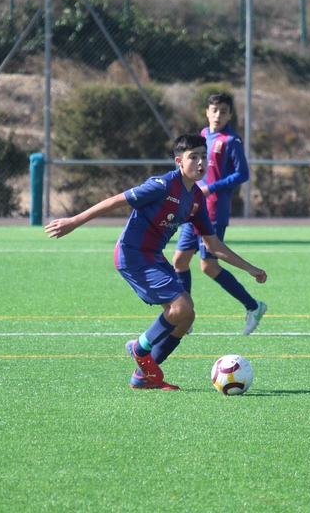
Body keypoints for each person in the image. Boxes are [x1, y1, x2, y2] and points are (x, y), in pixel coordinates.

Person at [45, 133, 267, 390]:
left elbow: (213, 245)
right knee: (183, 305)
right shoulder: (162, 185)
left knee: (187, 317)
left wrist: (250, 268)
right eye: (193, 157)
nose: (200, 163)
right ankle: (139, 348)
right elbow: (115, 201)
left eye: (203, 157)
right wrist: (73, 221)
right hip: (132, 255)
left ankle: (144, 377)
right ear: (179, 162)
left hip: (153, 257)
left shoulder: (196, 199)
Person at [173, 92, 267, 335]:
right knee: (180, 261)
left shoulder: (231, 140)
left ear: (230, 115)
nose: (218, 115)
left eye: (223, 111)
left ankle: (253, 306)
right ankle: (186, 318)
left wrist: (209, 189)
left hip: (213, 209)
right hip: (192, 207)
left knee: (209, 266)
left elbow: (242, 174)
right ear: (207, 112)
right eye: (214, 110)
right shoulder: (203, 136)